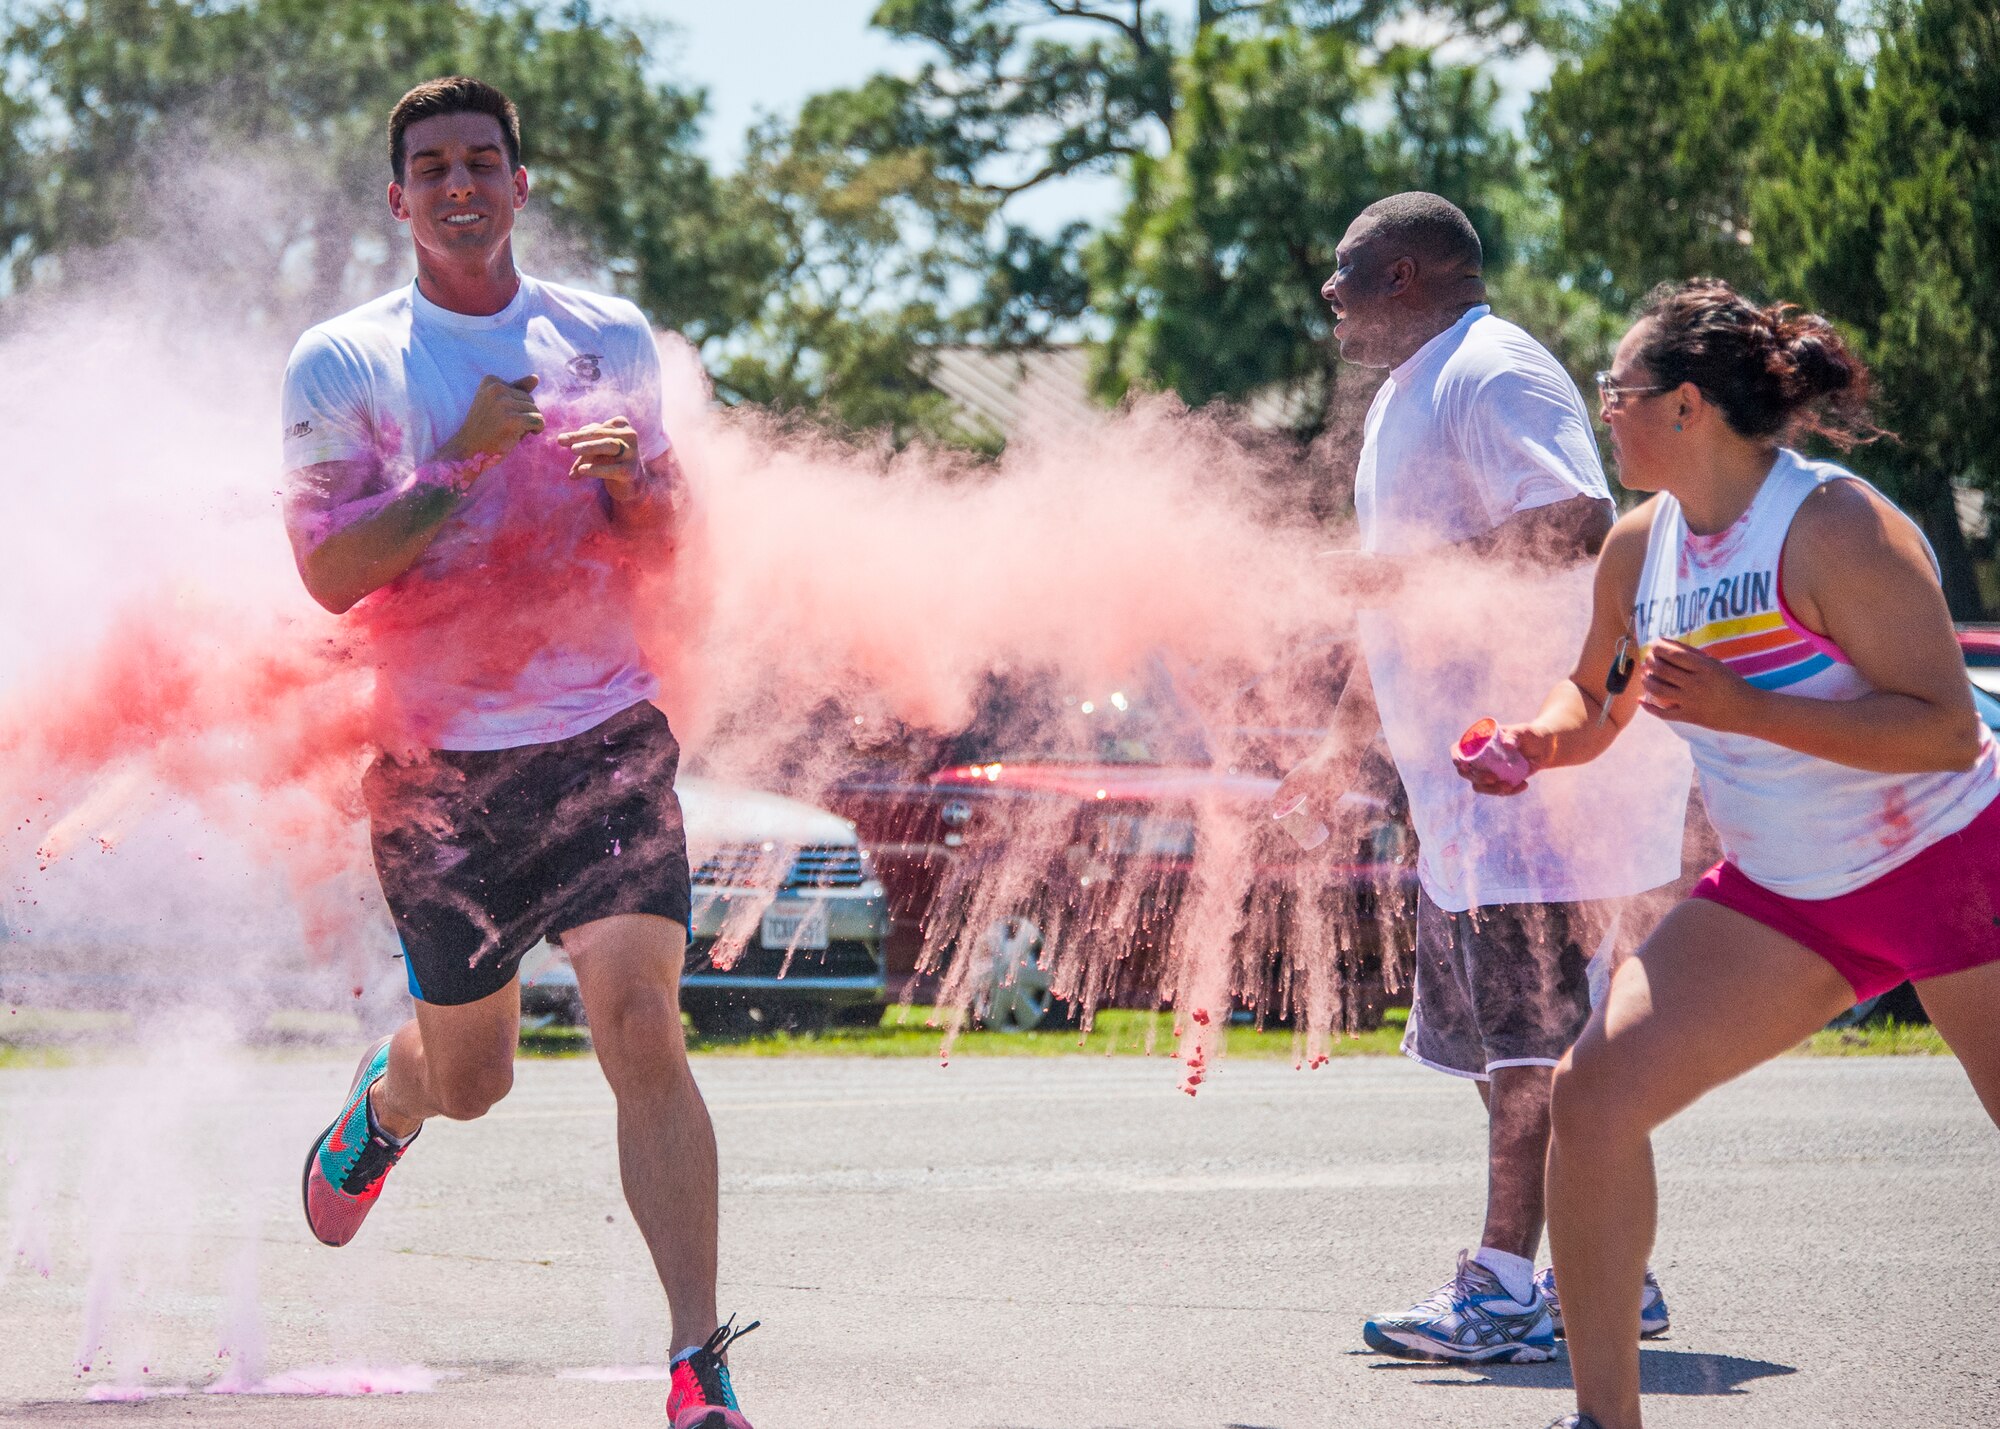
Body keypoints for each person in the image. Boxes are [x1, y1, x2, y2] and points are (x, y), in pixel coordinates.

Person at [280, 77, 756, 1429]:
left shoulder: (605, 336)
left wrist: (635, 486)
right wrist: (463, 466)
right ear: (400, 198)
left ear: (521, 182)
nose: (461, 183)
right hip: (441, 771)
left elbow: (671, 545)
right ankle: (391, 1104)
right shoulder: (346, 361)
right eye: (432, 167)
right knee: (475, 1078)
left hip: (603, 736)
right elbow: (327, 573)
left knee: (640, 1026)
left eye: (483, 159)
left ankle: (695, 1359)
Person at [1458, 278, 2000, 1429]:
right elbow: (1594, 696)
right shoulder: (1636, 544)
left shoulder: (1833, 524)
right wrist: (1528, 746)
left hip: (1954, 867)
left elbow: (1946, 728)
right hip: (1789, 894)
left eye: (1619, 391)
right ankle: (1604, 1421)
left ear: (1687, 405)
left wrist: (1747, 712)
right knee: (1590, 1098)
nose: (1604, 410)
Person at [1277, 193, 1692, 1364]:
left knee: (1530, 1046)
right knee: (1495, 1045)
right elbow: (1397, 603)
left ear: (1402, 273)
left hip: (1537, 776)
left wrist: (1403, 584)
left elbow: (1575, 517)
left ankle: (1502, 1288)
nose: (1328, 296)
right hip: (1458, 786)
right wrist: (1336, 744)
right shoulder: (1405, 397)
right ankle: (1608, 1269)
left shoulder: (1492, 369)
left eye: (1344, 274)